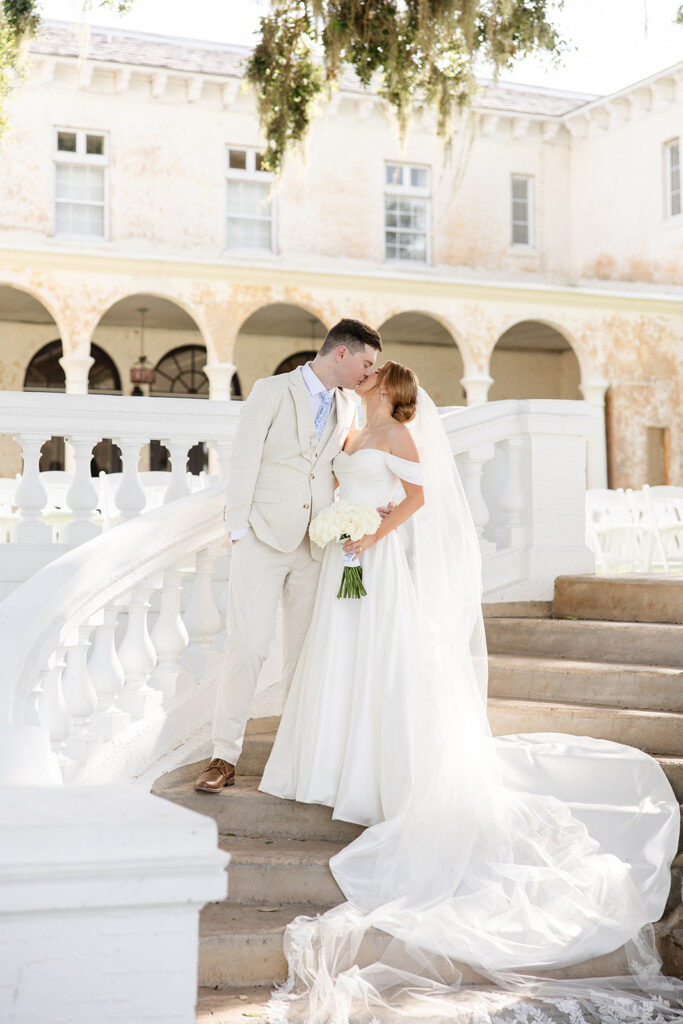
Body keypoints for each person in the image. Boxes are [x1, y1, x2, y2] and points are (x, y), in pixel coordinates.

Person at [259, 361, 683, 1023]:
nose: (362, 377)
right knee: (340, 665)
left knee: (381, 666)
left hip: (379, 565)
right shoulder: (348, 427)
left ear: (390, 390)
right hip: (348, 565)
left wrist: (369, 533)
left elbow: (420, 499)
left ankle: (380, 771)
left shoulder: (399, 432)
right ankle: (332, 763)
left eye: (371, 375)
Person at [193, 318, 382, 794]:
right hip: (261, 536)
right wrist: (238, 527)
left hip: (315, 545)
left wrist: (369, 506)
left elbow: (341, 468)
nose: (367, 373)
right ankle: (224, 755)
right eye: (365, 362)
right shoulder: (271, 390)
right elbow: (244, 457)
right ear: (341, 353)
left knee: (303, 655)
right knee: (249, 647)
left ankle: (295, 754)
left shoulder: (347, 406)